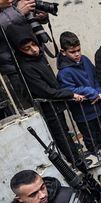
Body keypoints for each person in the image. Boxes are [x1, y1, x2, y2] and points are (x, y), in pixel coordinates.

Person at [6, 24, 84, 166]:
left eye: (34, 45)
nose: (34, 50)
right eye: (27, 49)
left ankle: (77, 159)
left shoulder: (38, 57)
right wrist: (70, 93)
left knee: (65, 132)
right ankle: (77, 163)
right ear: (19, 50)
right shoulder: (26, 66)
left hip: (56, 105)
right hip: (49, 108)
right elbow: (46, 91)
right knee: (61, 136)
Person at [57, 31, 101, 157]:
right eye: (72, 52)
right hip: (82, 111)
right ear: (63, 52)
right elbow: (69, 90)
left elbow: (96, 77)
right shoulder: (64, 72)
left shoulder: (85, 60)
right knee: (89, 134)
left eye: (78, 50)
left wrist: (100, 91)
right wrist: (91, 92)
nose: (77, 54)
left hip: (96, 106)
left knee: (100, 128)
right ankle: (95, 152)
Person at [0, 0, 35, 110]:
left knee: (52, 105)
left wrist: (37, 16)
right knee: (31, 108)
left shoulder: (10, 5)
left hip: (34, 58)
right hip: (12, 67)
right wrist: (18, 13)